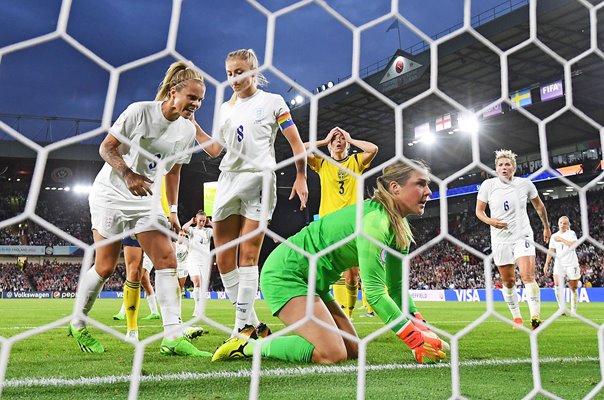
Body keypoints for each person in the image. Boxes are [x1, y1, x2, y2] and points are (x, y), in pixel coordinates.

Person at [212, 161, 449, 365]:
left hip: (315, 283)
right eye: (421, 184)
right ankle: (248, 345)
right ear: (395, 188)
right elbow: (376, 294)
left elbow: (396, 288)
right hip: (286, 274)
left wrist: (421, 325)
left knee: (353, 349)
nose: (428, 191)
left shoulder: (400, 228)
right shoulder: (374, 223)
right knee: (332, 353)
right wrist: (413, 338)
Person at [68, 61, 211, 357]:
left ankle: (172, 336)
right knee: (105, 266)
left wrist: (172, 211)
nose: (196, 104)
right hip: (110, 194)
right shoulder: (139, 112)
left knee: (167, 258)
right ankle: (78, 323)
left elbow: (173, 172)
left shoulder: (186, 131)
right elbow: (106, 148)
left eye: (200, 100)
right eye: (192, 98)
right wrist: (128, 174)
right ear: (174, 92)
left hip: (145, 200)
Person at [193, 49, 308, 337]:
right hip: (228, 179)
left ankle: (240, 329)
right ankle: (253, 323)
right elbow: (216, 150)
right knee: (223, 257)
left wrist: (301, 175)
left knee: (248, 255)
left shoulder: (273, 102)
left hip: (260, 179)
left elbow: (296, 143)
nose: (234, 78)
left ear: (254, 72)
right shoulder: (225, 108)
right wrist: (193, 126)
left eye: (240, 71)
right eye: (230, 73)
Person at [305, 127, 378, 319]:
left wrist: (350, 138)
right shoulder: (322, 163)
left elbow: (373, 149)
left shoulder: (355, 161)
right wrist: (324, 139)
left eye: (341, 139)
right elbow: (300, 148)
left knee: (352, 273)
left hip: (353, 222)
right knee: (333, 271)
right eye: (334, 139)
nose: (338, 141)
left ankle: (351, 313)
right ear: (329, 146)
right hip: (328, 225)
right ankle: (344, 315)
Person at [475, 149, 551, 330]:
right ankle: (517, 318)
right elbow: (479, 211)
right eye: (500, 165)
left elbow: (539, 207)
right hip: (500, 239)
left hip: (522, 235)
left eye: (507, 164)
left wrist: (546, 227)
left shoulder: (525, 184)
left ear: (514, 168)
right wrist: (490, 221)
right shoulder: (488, 185)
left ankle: (535, 317)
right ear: (496, 168)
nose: (504, 167)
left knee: (527, 276)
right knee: (508, 282)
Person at [544, 216, 581, 315]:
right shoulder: (553, 236)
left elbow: (573, 244)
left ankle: (573, 310)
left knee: (573, 287)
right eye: (561, 223)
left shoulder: (571, 233)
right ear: (558, 223)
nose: (562, 225)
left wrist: (560, 239)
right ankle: (562, 309)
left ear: (568, 225)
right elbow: (551, 250)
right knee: (557, 285)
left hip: (571, 263)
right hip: (559, 263)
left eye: (565, 223)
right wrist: (546, 264)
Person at [181, 210, 214, 317]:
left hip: (205, 262)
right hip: (193, 260)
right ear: (196, 220)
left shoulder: (208, 231)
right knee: (197, 282)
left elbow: (219, 232)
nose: (202, 223)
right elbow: (184, 229)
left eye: (204, 221)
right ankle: (197, 308)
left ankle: (200, 308)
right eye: (200, 220)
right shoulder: (192, 230)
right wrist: (191, 221)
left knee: (202, 286)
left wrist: (211, 223)